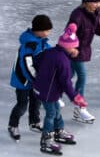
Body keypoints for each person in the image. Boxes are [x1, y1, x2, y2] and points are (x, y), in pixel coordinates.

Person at [33, 23, 88, 155]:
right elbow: (65, 82)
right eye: (74, 46)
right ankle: (46, 140)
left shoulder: (51, 51)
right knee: (51, 114)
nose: (76, 49)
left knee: (56, 111)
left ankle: (59, 131)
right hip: (48, 92)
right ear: (68, 47)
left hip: (44, 88)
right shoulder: (63, 60)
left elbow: (37, 60)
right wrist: (75, 96)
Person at [66, 0, 100, 123]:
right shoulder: (77, 15)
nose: (97, 4)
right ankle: (80, 109)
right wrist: (71, 48)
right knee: (82, 76)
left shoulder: (95, 13)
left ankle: (49, 94)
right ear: (85, 1)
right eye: (94, 1)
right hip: (73, 50)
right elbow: (69, 32)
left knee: (68, 75)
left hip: (82, 50)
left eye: (99, 1)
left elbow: (96, 29)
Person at [8, 14, 53, 142]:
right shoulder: (29, 45)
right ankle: (13, 125)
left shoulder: (40, 41)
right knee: (22, 104)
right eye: (47, 30)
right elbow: (27, 67)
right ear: (38, 30)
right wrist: (38, 80)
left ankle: (34, 122)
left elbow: (48, 51)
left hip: (35, 79)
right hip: (23, 80)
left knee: (36, 101)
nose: (48, 33)